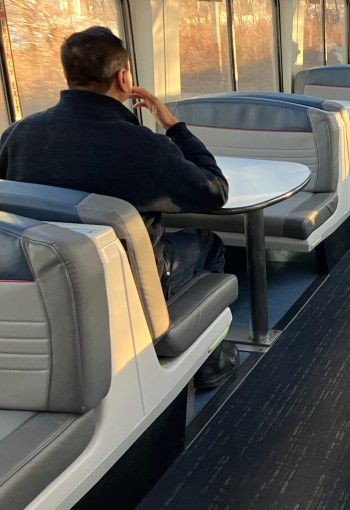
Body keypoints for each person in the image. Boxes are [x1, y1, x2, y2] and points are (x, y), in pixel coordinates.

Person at [0, 26, 239, 388]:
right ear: (124, 77)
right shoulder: (146, 147)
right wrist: (172, 125)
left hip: (39, 274)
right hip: (126, 282)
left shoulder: (17, 134)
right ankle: (208, 358)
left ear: (69, 75)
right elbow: (214, 191)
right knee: (208, 243)